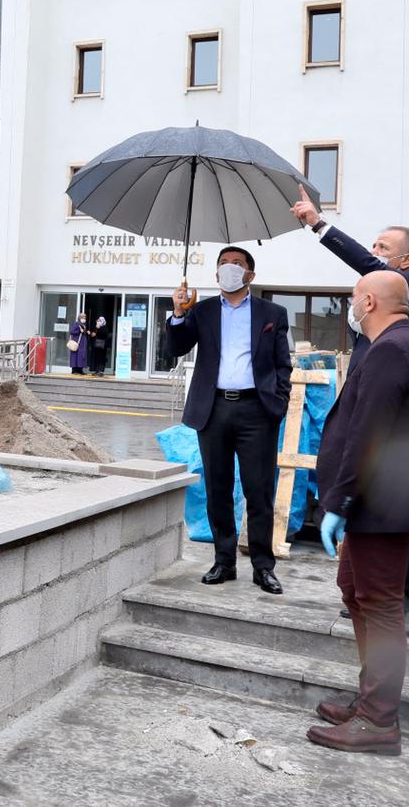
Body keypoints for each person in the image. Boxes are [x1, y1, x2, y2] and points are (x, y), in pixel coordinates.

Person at [308, 271, 409, 755]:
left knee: (379, 603)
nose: (351, 308)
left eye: (354, 299)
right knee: (355, 590)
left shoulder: (393, 349)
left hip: (382, 501)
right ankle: (369, 699)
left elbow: (367, 432)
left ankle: (378, 721)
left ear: (370, 302)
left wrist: (339, 502)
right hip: (382, 500)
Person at [290, 196, 409, 638]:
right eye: (373, 246)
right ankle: (370, 597)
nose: (373, 253)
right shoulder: (376, 319)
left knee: (397, 526)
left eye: (382, 247)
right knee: (374, 525)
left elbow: (371, 269)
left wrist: (319, 225)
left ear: (406, 260)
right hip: (373, 418)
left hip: (394, 433)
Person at [165, 246, 292, 594]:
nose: (229, 269)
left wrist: (278, 403)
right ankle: (224, 562)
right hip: (214, 409)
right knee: (217, 489)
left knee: (259, 491)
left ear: (250, 274)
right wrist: (178, 312)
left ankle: (263, 567)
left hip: (257, 411)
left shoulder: (272, 313)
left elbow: (283, 364)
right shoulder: (203, 311)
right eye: (223, 263)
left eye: (237, 264)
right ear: (215, 273)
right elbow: (175, 348)